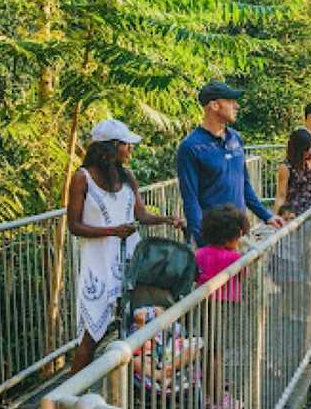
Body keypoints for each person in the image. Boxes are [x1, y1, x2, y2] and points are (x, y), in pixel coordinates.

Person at [67, 119, 185, 374]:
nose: (131, 150)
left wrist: (167, 219)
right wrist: (112, 231)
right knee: (91, 336)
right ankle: (69, 395)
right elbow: (74, 226)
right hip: (97, 265)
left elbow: (140, 215)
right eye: (126, 145)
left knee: (134, 323)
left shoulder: (126, 175)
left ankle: (140, 384)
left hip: (129, 260)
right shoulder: (82, 178)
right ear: (110, 148)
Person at [178, 81, 283, 247]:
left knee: (244, 273)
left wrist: (266, 215)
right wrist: (203, 243)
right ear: (214, 105)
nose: (237, 106)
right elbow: (190, 199)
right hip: (213, 237)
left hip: (239, 232)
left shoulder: (236, 138)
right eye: (231, 101)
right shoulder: (190, 147)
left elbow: (244, 185)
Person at [195, 204, 250, 409]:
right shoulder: (235, 259)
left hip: (203, 306)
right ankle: (217, 399)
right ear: (232, 235)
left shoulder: (199, 253)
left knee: (208, 351)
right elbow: (243, 277)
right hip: (225, 308)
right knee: (217, 353)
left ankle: (210, 393)